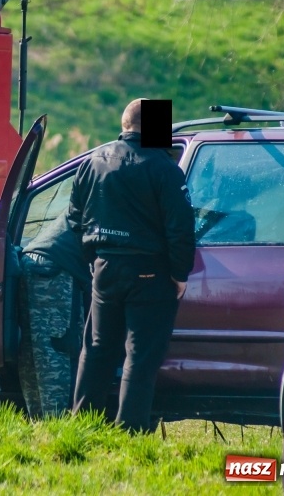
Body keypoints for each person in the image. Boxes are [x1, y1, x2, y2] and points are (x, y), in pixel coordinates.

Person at [68, 98, 196, 433]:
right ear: (154, 127)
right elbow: (181, 227)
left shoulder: (93, 161)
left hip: (104, 268)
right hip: (150, 273)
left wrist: (94, 259)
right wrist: (179, 274)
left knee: (96, 349)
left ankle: (82, 425)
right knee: (140, 356)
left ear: (125, 124)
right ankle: (131, 432)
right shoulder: (165, 169)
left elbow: (74, 218)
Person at [18, 209, 92, 418]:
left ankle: (40, 423)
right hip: (54, 268)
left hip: (31, 262)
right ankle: (58, 424)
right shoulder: (112, 196)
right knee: (58, 347)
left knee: (35, 348)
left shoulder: (93, 186)